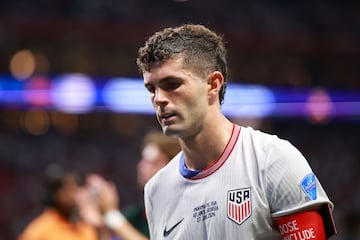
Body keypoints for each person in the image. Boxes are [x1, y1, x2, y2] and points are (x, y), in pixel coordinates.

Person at [136, 24, 337, 239]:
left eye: (172, 84)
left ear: (213, 84)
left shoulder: (273, 160)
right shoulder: (156, 191)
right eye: (152, 89)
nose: (159, 99)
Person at [79, 131, 181, 240]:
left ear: (173, 166)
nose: (142, 167)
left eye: (153, 163)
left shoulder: (183, 213)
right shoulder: (133, 216)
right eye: (143, 160)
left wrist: (111, 215)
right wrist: (101, 224)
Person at [18, 165, 99, 240]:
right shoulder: (41, 229)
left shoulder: (87, 226)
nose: (73, 196)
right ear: (55, 195)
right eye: (68, 190)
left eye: (76, 190)